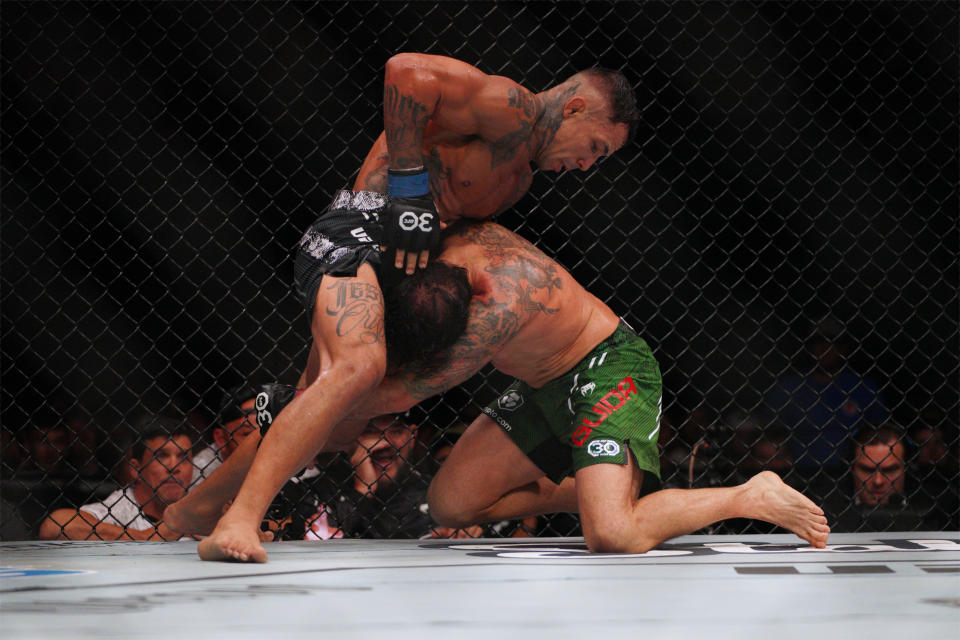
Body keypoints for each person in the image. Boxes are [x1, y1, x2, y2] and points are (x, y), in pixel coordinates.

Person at [192, 53, 640, 560]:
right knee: (358, 368)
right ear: (575, 107)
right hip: (361, 232)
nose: (585, 165)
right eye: (596, 147)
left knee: (332, 423)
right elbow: (406, 71)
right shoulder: (511, 107)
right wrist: (407, 187)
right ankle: (239, 521)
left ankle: (195, 509)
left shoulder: (519, 178)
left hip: (401, 270)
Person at [177, 221, 830, 561]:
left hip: (607, 368)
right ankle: (604, 479)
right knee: (452, 504)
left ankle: (748, 493)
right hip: (543, 385)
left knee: (614, 536)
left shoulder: (494, 312)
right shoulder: (426, 250)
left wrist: (313, 406)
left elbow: (378, 401)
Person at [763, 317, 888, 474]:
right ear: (810, 347)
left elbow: (880, 433)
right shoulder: (788, 389)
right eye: (818, 342)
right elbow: (770, 436)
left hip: (852, 473)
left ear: (843, 348)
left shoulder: (863, 388)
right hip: (798, 474)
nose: (824, 348)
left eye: (832, 342)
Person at [37, 416, 192, 541]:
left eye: (183, 457)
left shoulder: (199, 505)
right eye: (161, 456)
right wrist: (148, 537)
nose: (174, 466)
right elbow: (55, 526)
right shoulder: (120, 509)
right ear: (136, 469)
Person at [190, 385, 260, 488]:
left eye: (266, 432)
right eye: (247, 434)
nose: (260, 440)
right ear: (221, 439)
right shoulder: (200, 472)